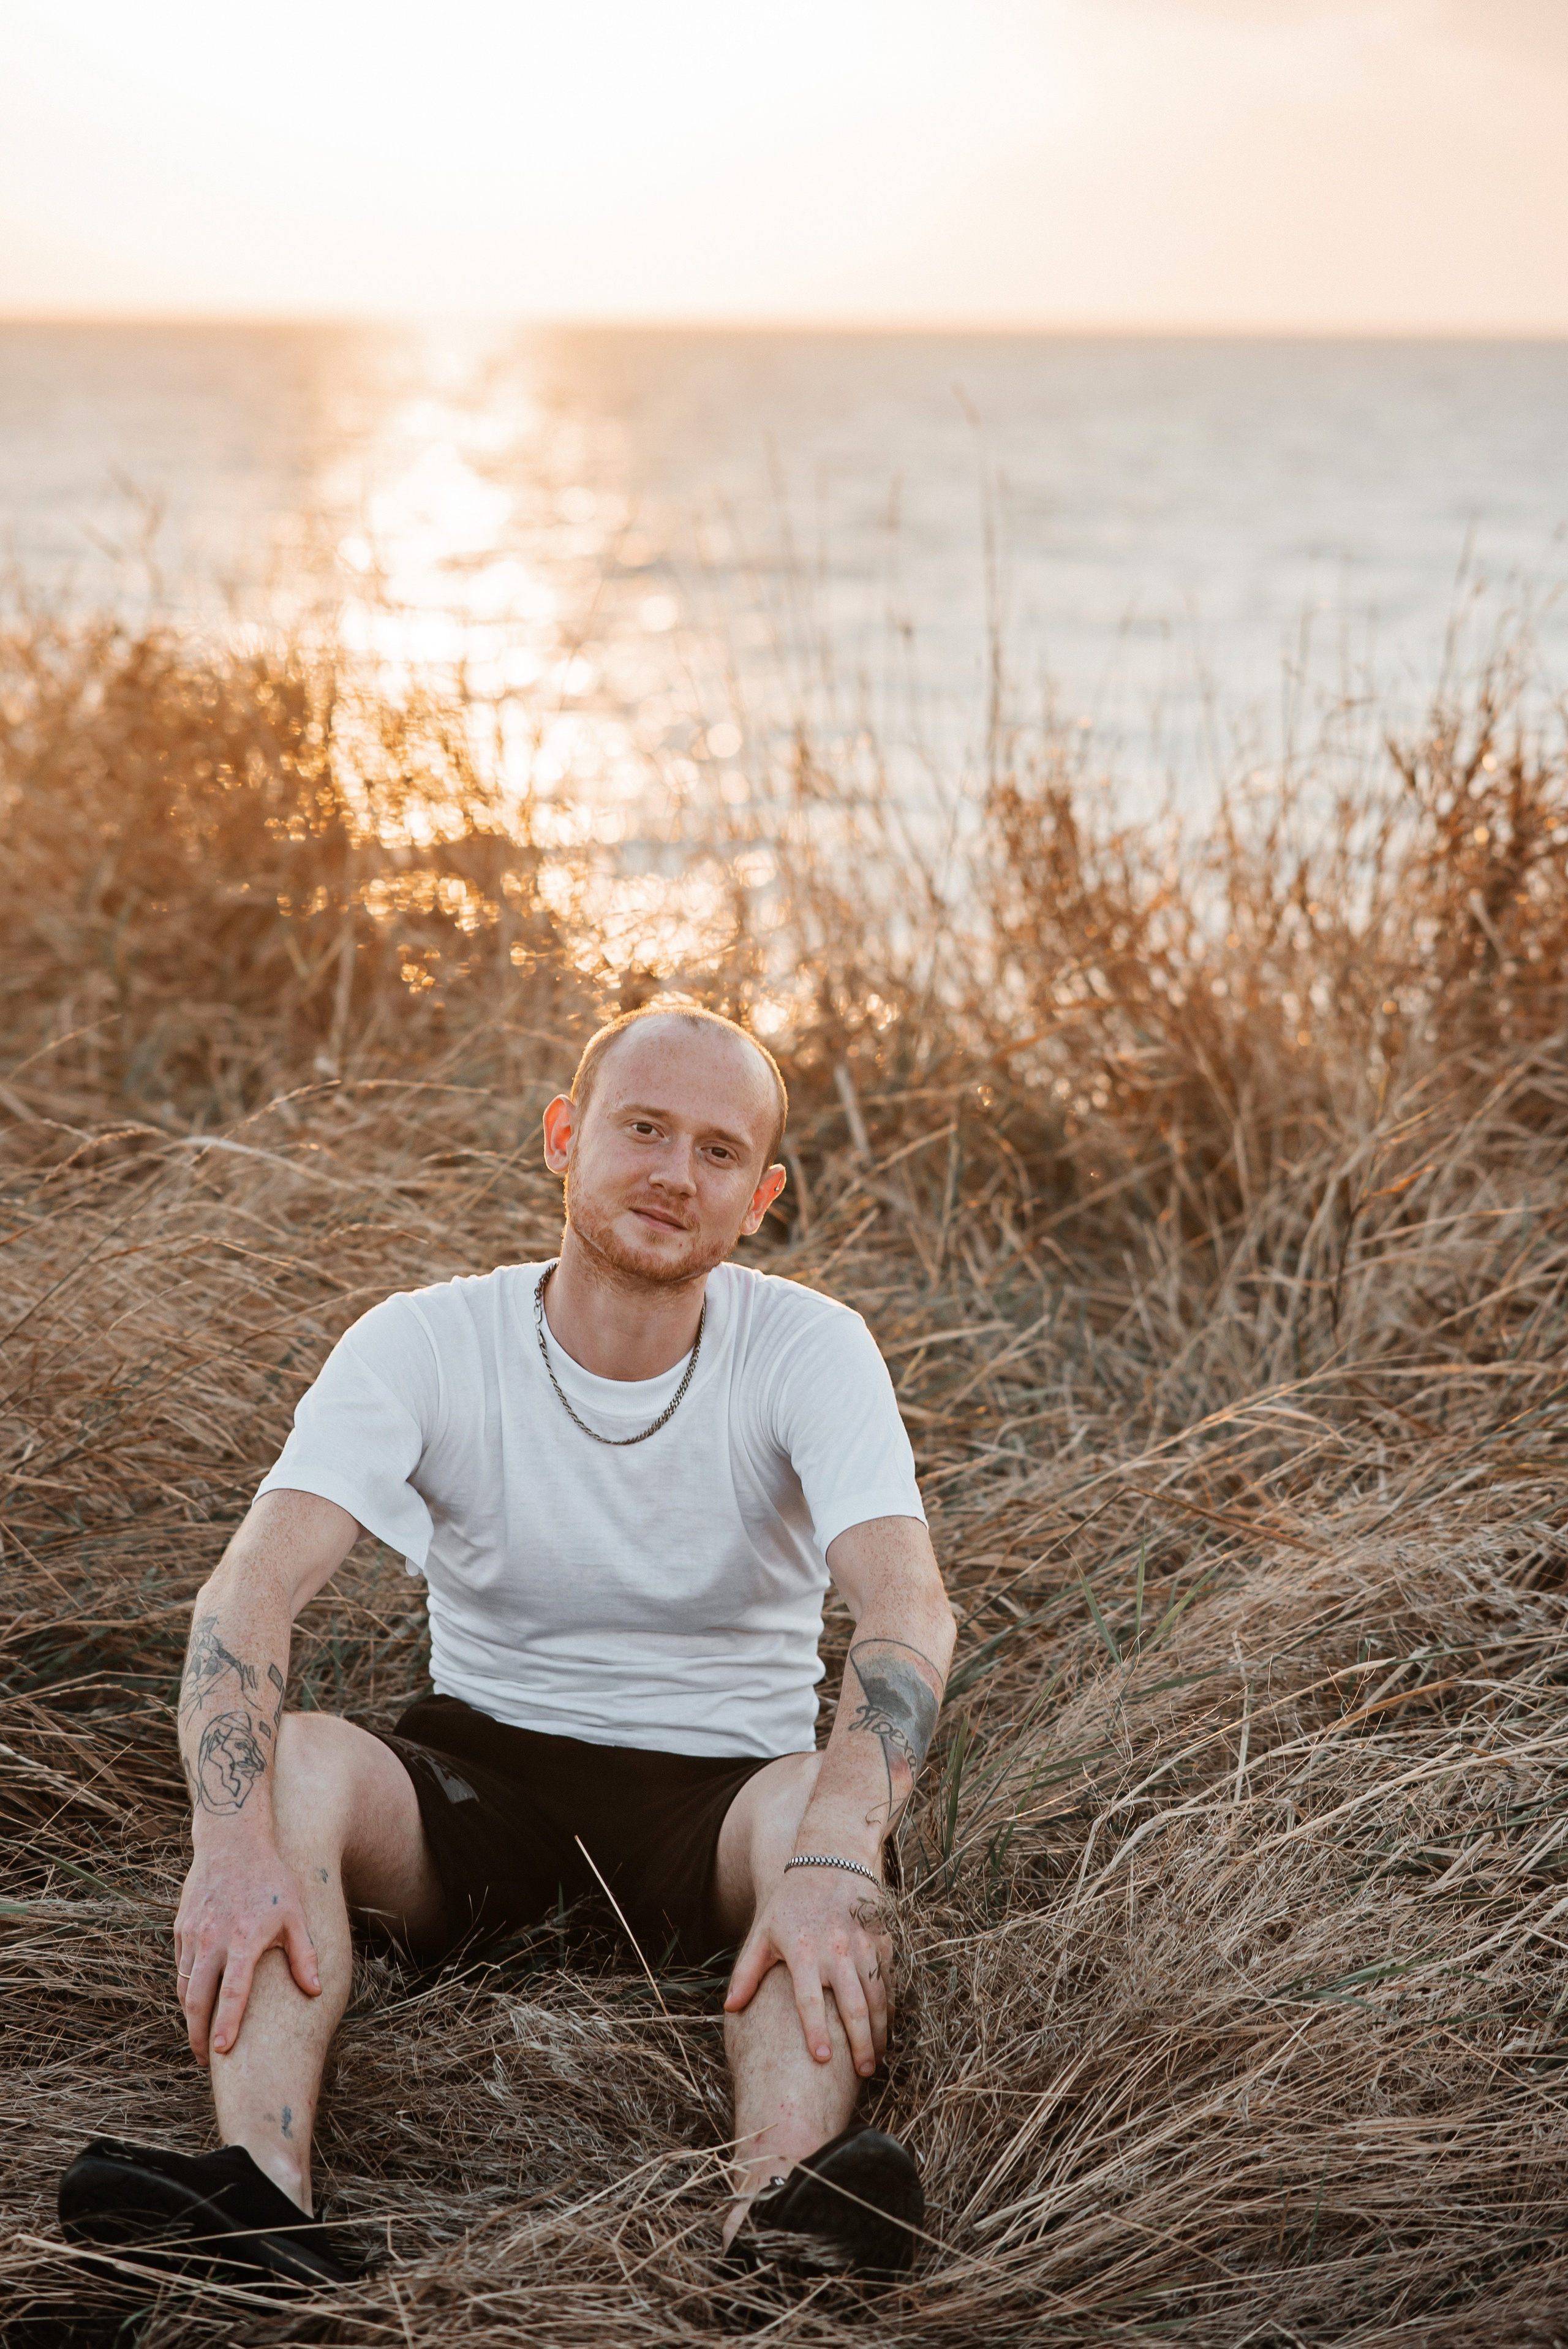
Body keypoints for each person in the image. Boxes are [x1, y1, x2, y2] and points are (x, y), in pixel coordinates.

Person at [59, 1005, 954, 2293]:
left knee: (813, 1825)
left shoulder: (808, 1347)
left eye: (714, 1151)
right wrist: (232, 1843)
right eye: (641, 1129)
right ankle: (257, 2198)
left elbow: (905, 1608)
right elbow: (253, 1586)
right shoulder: (426, 1340)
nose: (670, 1174)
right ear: (562, 1138)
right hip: (479, 1794)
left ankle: (781, 2223)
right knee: (295, 1762)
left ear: (756, 1198)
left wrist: (830, 1856)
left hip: (715, 1807)